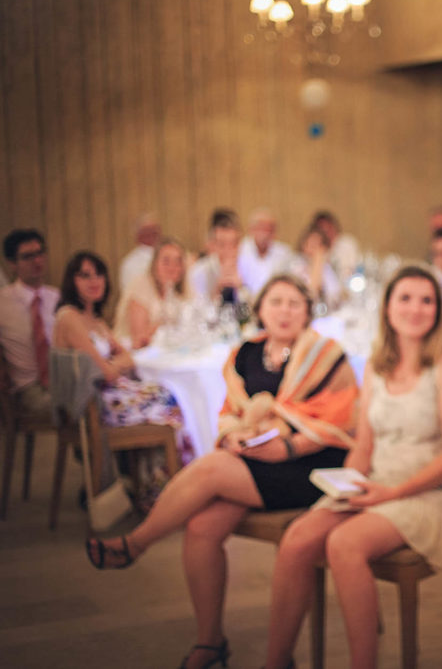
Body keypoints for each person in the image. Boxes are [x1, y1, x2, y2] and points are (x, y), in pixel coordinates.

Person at [83, 274, 358, 669]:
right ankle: (210, 643)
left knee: (211, 469)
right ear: (260, 309)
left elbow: (342, 419)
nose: (284, 311)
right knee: (201, 527)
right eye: (276, 301)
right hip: (256, 459)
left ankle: (136, 544)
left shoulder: (327, 355)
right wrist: (233, 437)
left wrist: (286, 446)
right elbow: (230, 413)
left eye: (294, 303)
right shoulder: (245, 353)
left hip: (311, 463)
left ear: (308, 312)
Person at [262, 265, 442, 669]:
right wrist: (348, 485)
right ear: (388, 307)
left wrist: (391, 494)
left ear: (438, 309)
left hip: (431, 490)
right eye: (405, 299)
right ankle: (276, 661)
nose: (416, 309)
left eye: (426, 300)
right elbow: (364, 443)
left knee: (344, 544)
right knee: (297, 538)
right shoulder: (376, 365)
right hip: (376, 481)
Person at [53, 251, 195, 504]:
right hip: (92, 407)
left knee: (169, 397)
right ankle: (161, 492)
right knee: (172, 404)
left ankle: (154, 486)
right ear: (71, 281)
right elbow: (106, 371)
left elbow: (125, 355)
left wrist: (121, 358)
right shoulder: (69, 318)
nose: (94, 281)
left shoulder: (94, 319)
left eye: (98, 275)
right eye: (85, 275)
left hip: (109, 395)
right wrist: (119, 361)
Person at [0, 229, 59, 418]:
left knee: (106, 401)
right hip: (28, 388)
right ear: (12, 263)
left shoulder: (57, 297)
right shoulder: (3, 302)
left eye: (40, 253)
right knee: (82, 408)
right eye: (28, 257)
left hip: (62, 380)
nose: (37, 261)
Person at [113, 237, 190, 349]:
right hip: (130, 353)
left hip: (161, 350)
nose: (173, 267)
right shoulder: (140, 286)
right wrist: (164, 324)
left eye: (178, 261)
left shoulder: (177, 291)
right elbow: (139, 338)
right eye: (166, 261)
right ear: (155, 264)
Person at [188, 208, 246, 303]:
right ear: (212, 245)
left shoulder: (248, 267)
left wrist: (241, 289)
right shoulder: (200, 271)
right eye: (222, 244)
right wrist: (218, 290)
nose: (229, 250)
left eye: (234, 244)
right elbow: (197, 310)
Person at [238, 208, 295, 296]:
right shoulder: (240, 249)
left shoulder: (284, 253)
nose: (265, 233)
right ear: (251, 229)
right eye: (261, 228)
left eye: (269, 229)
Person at [289, 226, 341, 311]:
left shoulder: (327, 268)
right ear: (303, 246)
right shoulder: (295, 265)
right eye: (312, 244)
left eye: (319, 245)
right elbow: (311, 295)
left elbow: (335, 296)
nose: (316, 249)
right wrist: (318, 262)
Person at [119, 212, 162, 293]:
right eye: (147, 231)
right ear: (138, 236)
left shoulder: (167, 254)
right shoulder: (130, 263)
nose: (152, 235)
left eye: (155, 230)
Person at [311, 210, 359, 281]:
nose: (326, 232)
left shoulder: (346, 243)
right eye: (322, 229)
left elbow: (352, 268)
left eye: (328, 228)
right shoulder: (320, 250)